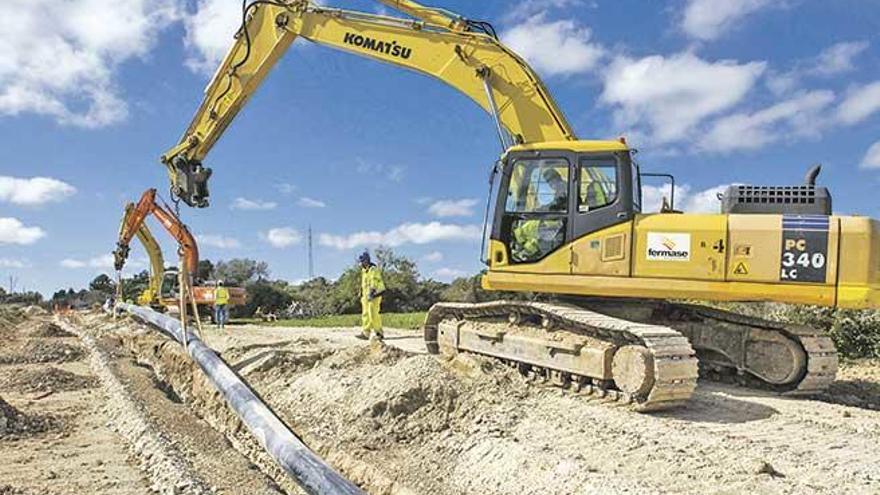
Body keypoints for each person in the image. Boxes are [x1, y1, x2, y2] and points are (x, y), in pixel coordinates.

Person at [511, 168, 568, 261]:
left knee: (535, 227)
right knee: (535, 228)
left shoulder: (563, 188)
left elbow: (556, 205)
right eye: (548, 182)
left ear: (557, 178)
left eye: (551, 181)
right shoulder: (563, 187)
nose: (550, 184)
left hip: (561, 221)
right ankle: (522, 248)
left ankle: (522, 250)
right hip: (560, 218)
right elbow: (556, 205)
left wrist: (540, 210)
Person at [356, 251, 385, 341]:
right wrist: (361, 292)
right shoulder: (364, 270)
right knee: (365, 313)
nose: (361, 263)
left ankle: (379, 333)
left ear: (367, 260)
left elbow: (374, 281)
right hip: (366, 295)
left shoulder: (373, 269)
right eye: (360, 261)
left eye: (362, 261)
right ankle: (366, 332)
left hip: (375, 294)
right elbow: (364, 283)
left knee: (373, 313)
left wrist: (372, 292)